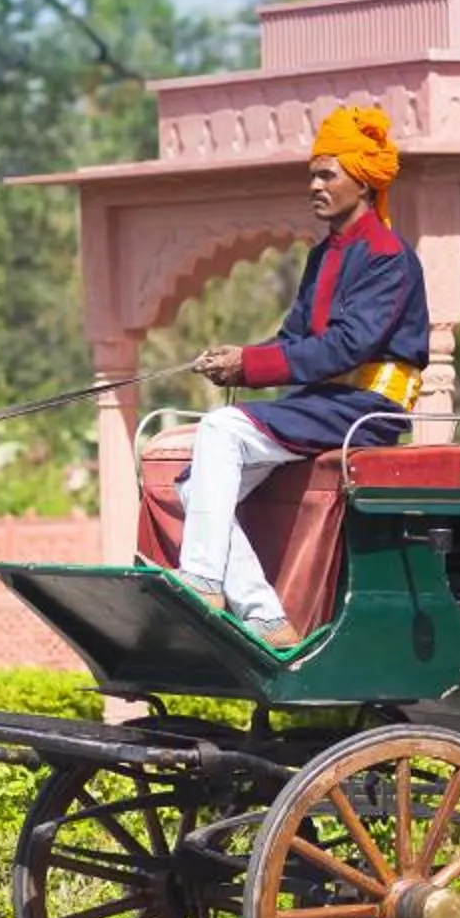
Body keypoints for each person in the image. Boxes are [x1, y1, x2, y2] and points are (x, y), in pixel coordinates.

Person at [180, 104, 432, 646]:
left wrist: (250, 366)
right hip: (324, 403)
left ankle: (202, 581)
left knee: (220, 431)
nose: (314, 186)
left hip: (366, 410)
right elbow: (295, 341)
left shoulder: (389, 257)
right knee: (191, 488)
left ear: (361, 181)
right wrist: (238, 358)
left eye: (326, 174)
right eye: (311, 176)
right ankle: (267, 617)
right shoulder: (324, 256)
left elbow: (346, 346)